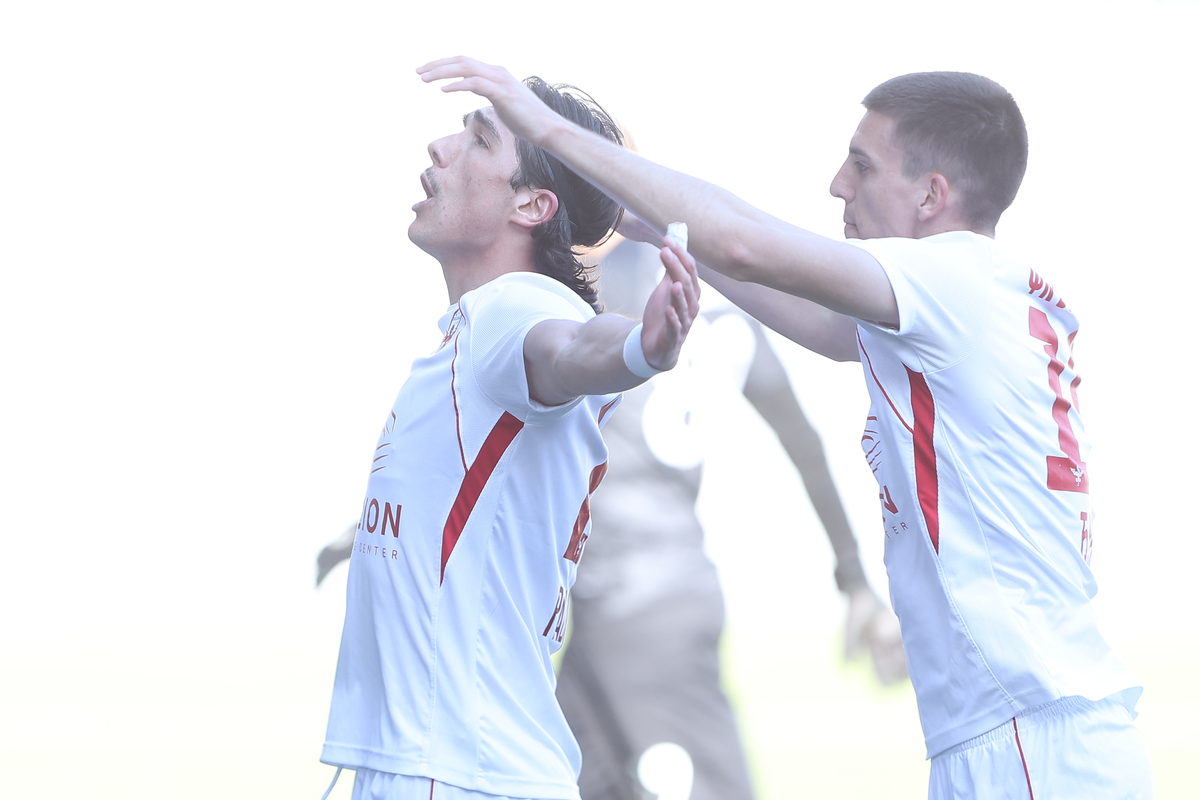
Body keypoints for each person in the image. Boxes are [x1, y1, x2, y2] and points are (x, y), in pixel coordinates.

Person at [415, 58, 1153, 798]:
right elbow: (824, 325)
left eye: (862, 166)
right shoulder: (982, 294)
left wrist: (545, 129)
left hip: (1027, 741)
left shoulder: (947, 279)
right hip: (1040, 731)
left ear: (933, 195)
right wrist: (640, 223)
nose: (838, 184)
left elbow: (744, 242)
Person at [318, 75, 701, 800]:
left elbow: (572, 348)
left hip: (452, 772)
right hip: (454, 767)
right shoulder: (468, 337)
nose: (441, 145)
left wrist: (640, 350)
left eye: (479, 137)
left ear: (532, 204)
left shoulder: (514, 311)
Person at [556, 236, 906, 800]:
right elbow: (804, 443)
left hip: (637, 613)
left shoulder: (595, 286)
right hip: (640, 608)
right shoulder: (724, 306)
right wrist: (854, 579)